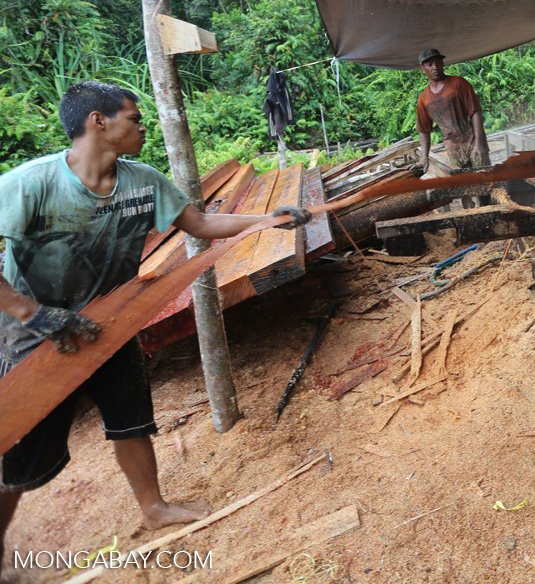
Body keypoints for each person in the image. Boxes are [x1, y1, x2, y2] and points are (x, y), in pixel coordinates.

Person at [0, 81, 311, 563]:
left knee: (131, 422)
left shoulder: (142, 180)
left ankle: (154, 507)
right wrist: (31, 313)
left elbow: (202, 225)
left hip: (111, 321)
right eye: (133, 117)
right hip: (40, 334)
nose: (142, 125)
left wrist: (268, 219)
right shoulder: (31, 183)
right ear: (97, 122)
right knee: (20, 455)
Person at [415, 48, 490, 174]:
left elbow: (475, 112)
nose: (435, 67)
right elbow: (423, 130)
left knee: (486, 179)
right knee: (465, 185)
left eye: (438, 62)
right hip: (453, 148)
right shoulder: (424, 99)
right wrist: (424, 157)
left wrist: (480, 143)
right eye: (430, 64)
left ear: (442, 64)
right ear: (422, 69)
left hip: (473, 140)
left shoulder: (459, 83)